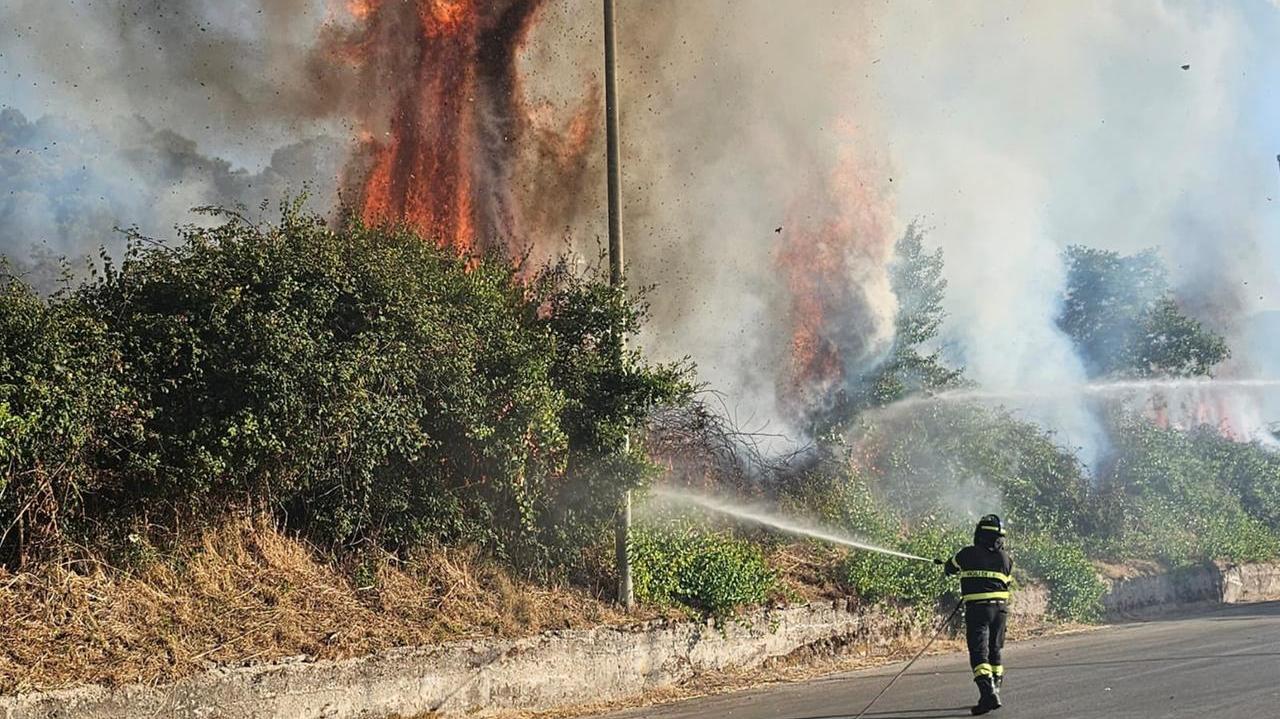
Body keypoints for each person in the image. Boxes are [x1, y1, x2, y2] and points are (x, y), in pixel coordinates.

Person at [942, 514, 1012, 715]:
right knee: (995, 650)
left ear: (980, 534)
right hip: (1000, 611)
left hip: (978, 610)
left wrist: (948, 566)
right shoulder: (1006, 559)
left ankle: (988, 693)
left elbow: (950, 567)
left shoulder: (967, 554)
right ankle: (993, 692)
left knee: (979, 653)